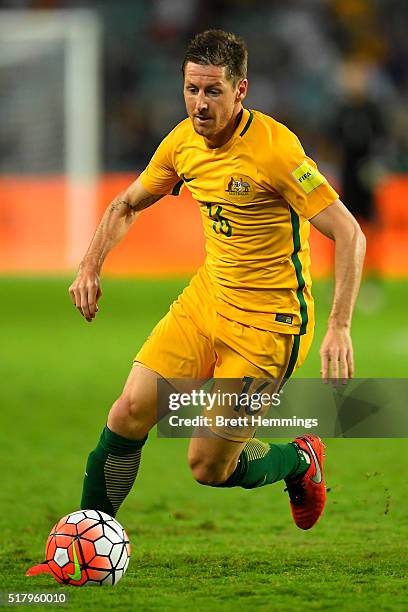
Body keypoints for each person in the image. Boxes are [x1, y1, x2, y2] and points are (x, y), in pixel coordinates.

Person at [69, 30, 365, 531]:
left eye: (212, 92)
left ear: (240, 90)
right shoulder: (183, 141)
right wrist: (89, 263)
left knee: (208, 466)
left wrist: (339, 324)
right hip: (208, 300)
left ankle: (298, 460)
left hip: (268, 325)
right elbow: (127, 203)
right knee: (128, 411)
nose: (199, 105)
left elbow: (349, 232)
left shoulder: (276, 151)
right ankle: (86, 538)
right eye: (191, 89)